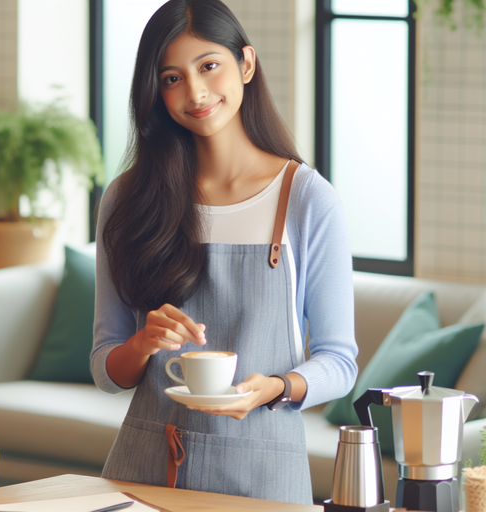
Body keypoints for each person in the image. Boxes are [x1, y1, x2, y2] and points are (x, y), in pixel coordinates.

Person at [91, 0, 357, 505]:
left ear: (247, 65)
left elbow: (339, 362)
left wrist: (277, 387)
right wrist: (143, 343)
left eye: (208, 65)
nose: (194, 92)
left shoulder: (304, 199)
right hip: (146, 469)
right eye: (171, 78)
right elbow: (107, 369)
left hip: (262, 475)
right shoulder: (127, 199)